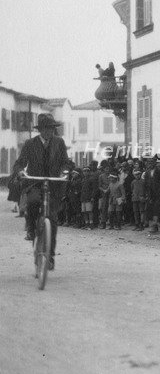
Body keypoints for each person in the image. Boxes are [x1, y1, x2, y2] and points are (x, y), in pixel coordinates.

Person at [12, 114, 73, 270]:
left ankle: (50, 255)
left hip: (53, 185)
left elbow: (66, 162)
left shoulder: (59, 143)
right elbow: (20, 163)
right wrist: (20, 172)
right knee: (32, 203)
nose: (49, 132)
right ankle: (31, 229)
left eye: (52, 129)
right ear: (40, 130)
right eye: (46, 129)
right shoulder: (30, 144)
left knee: (52, 221)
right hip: (35, 182)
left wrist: (65, 172)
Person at [80, 165, 98, 230]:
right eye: (84, 171)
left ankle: (91, 224)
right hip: (83, 197)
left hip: (89, 197)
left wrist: (92, 197)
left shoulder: (92, 179)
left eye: (87, 171)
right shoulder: (83, 179)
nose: (85, 172)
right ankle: (86, 224)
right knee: (84, 211)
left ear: (89, 172)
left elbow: (94, 189)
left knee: (89, 211)